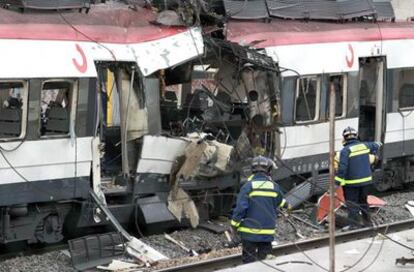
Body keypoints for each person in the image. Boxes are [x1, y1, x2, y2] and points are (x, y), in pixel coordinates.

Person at [230, 155, 290, 263]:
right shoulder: (274, 187)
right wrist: (288, 207)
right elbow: (282, 203)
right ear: (268, 170)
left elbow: (240, 209)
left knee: (249, 264)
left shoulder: (247, 186)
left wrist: (234, 226)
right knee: (266, 263)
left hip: (249, 234)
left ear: (252, 170)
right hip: (267, 234)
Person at [335, 126, 382, 229]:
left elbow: (342, 168)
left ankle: (354, 225)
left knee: (352, 205)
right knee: (363, 203)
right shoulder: (365, 145)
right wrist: (376, 149)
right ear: (356, 136)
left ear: (345, 138)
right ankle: (368, 223)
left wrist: (336, 183)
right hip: (366, 182)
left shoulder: (345, 151)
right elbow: (377, 145)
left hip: (351, 184)